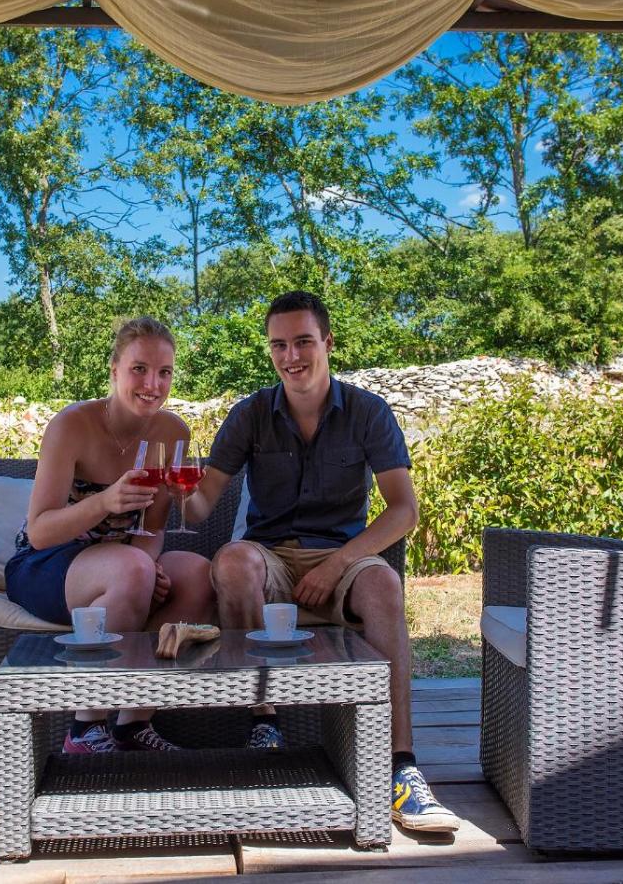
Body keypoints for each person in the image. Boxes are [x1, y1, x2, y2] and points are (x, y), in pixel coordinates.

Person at [177, 291, 461, 834]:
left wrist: (338, 564)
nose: (291, 356)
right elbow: (200, 506)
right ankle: (264, 724)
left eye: (303, 341)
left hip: (343, 555)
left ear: (328, 343)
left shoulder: (368, 412)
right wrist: (173, 493)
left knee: (385, 587)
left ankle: (400, 767)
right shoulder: (250, 414)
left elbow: (404, 511)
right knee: (233, 561)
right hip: (269, 555)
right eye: (279, 345)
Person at [5, 316, 214, 754]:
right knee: (131, 567)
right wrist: (104, 502)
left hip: (123, 564)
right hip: (46, 564)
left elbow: (152, 528)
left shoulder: (172, 431)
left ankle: (133, 724)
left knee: (197, 574)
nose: (153, 384)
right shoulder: (71, 425)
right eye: (139, 369)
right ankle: (85, 728)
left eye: (164, 372)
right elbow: (40, 531)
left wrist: (149, 566)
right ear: (115, 370)